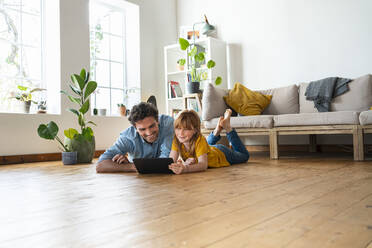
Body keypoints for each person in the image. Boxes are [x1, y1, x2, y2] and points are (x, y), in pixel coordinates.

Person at [96, 102, 174, 173]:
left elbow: (165, 160)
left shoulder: (168, 124)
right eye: (142, 129)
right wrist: (131, 166)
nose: (149, 133)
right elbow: (100, 165)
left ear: (157, 120)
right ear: (135, 128)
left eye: (152, 126)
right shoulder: (128, 137)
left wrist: (141, 167)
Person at [169, 109, 249, 174]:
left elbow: (203, 165)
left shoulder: (199, 139)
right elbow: (170, 161)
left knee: (244, 156)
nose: (181, 133)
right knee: (204, 145)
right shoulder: (177, 139)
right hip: (209, 149)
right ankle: (216, 131)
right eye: (178, 128)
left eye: (186, 129)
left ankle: (228, 128)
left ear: (195, 130)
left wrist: (185, 168)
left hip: (222, 154)